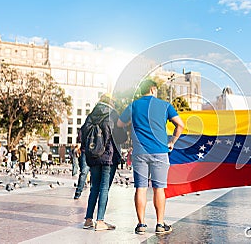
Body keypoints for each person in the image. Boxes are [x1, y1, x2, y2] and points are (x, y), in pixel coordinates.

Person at [118, 79, 184, 235]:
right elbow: (180, 124)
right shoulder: (165, 105)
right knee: (159, 189)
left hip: (140, 153)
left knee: (140, 188)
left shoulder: (133, 105)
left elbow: (120, 123)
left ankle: (141, 224)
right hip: (160, 152)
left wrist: (133, 125)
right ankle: (160, 224)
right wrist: (172, 141)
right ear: (153, 89)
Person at [82, 93, 122, 231]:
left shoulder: (91, 115)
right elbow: (121, 137)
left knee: (94, 188)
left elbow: (82, 133)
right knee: (104, 188)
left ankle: (88, 219)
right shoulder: (113, 115)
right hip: (108, 157)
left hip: (93, 156)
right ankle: (100, 221)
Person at [74, 129, 90, 200]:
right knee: (86, 172)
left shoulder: (85, 127)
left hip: (86, 152)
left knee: (84, 172)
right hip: (91, 152)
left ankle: (78, 192)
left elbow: (79, 139)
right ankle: (79, 191)